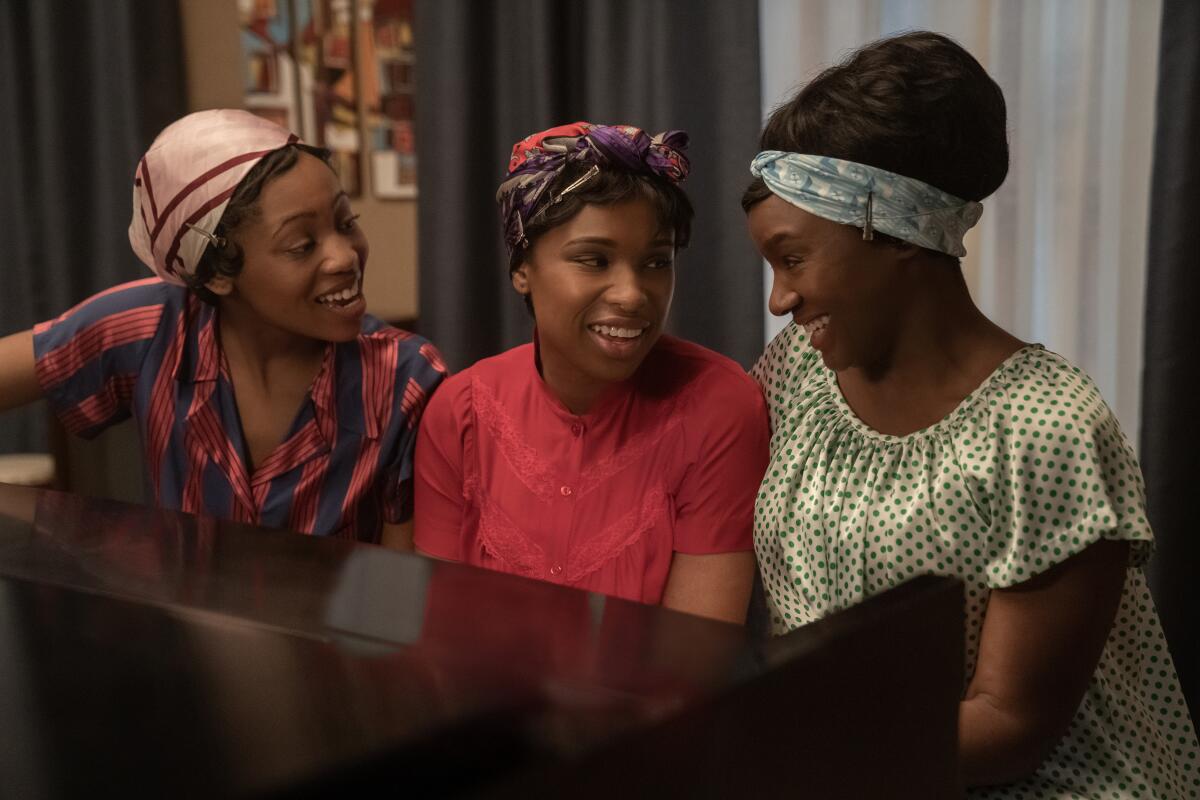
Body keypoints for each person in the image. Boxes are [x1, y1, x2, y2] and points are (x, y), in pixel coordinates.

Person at [743, 31, 1199, 797]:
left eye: (793, 258)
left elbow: (1009, 727)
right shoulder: (797, 375)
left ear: (892, 233)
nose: (779, 300)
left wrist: (782, 746)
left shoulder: (1047, 428)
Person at [0, 109, 445, 547]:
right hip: (174, 619)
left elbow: (403, 589)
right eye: (301, 245)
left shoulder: (404, 379)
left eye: (346, 223)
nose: (344, 257)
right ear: (215, 274)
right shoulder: (150, 327)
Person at [413, 122, 768, 623]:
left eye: (655, 262)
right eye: (594, 260)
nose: (632, 294)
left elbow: (693, 658)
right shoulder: (460, 411)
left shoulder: (719, 406)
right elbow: (441, 628)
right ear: (522, 270)